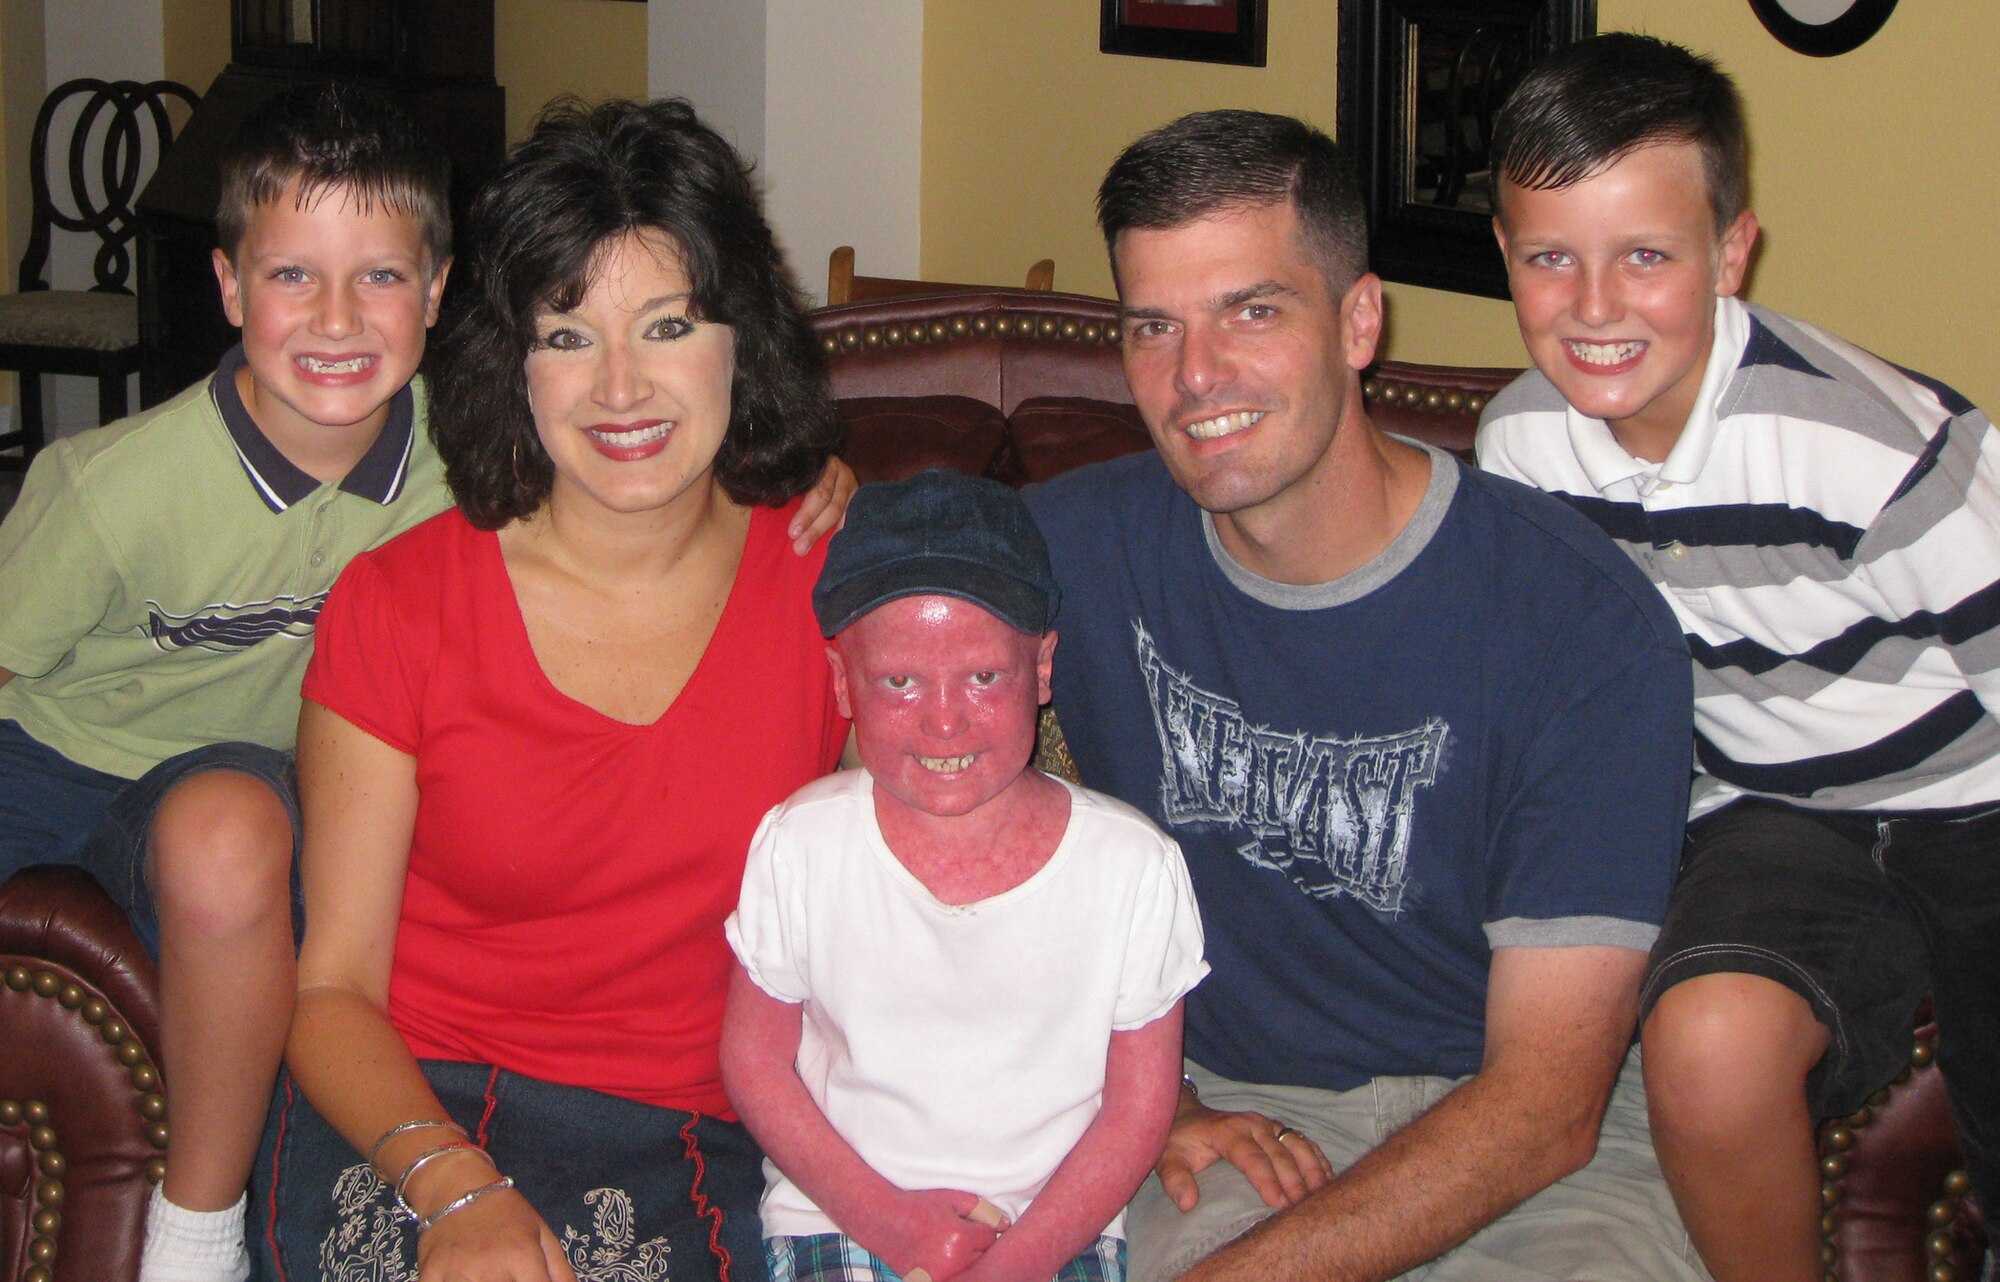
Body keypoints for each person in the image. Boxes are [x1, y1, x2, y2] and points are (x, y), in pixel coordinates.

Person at [1021, 108, 1703, 1282]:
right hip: (1240, 1119)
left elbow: (1544, 1105)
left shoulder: (1576, 621)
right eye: (1152, 326)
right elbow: (872, 762)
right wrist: (1149, 1086)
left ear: (1356, 319)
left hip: (1542, 1138)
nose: (1194, 377)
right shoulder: (1072, 549)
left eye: (1250, 309)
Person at [266, 98, 849, 1282]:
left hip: (697, 1128)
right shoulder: (401, 603)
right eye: (568, 335)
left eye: (669, 324)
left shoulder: (843, 582)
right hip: (413, 1108)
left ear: (743, 337)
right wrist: (452, 1186)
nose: (621, 388)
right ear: (512, 359)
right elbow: (329, 992)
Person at [1477, 33, 2000, 1282]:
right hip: (1772, 816)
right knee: (1704, 1041)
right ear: (1504, 256)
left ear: (1729, 252)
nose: (1594, 305)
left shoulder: (1879, 451)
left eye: (1645, 256)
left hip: (1976, 801)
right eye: (1550, 258)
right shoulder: (1519, 454)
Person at [0, 82, 453, 1282]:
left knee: (231, 825)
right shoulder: (108, 485)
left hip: (233, 781)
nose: (338, 317)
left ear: (439, 292)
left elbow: (659, 466)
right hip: (48, 752)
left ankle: (195, 1241)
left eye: (382, 276)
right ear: (228, 287)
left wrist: (805, 475)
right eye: (293, 274)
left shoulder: (472, 466)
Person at [722, 469, 1209, 1282]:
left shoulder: (1132, 869)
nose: (944, 720)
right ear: (843, 680)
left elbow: (1136, 1112)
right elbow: (755, 1061)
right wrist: (893, 1224)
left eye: (984, 677)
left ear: (1043, 668)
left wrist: (1017, 1262)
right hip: (838, 1217)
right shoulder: (801, 845)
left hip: (1058, 1230)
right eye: (899, 681)